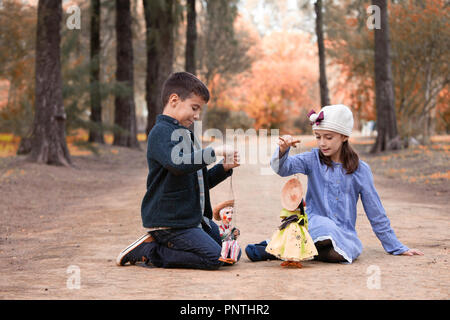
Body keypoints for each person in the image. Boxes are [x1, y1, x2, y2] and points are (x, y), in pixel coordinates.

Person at [248, 104, 423, 264]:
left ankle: (292, 249)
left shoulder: (361, 170)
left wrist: (396, 246)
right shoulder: (312, 159)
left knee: (346, 252)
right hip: (315, 224)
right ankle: (277, 247)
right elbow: (283, 168)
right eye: (318, 137)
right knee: (326, 226)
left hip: (344, 233)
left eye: (329, 137)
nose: (322, 142)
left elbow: (375, 211)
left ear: (344, 136)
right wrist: (282, 150)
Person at [116, 72, 240, 270]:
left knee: (233, 252)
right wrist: (213, 152)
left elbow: (197, 181)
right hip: (171, 222)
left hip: (192, 220)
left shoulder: (186, 135)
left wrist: (223, 168)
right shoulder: (160, 132)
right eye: (194, 107)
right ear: (174, 100)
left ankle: (168, 245)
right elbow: (178, 164)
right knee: (216, 258)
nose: (197, 115)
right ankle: (150, 251)